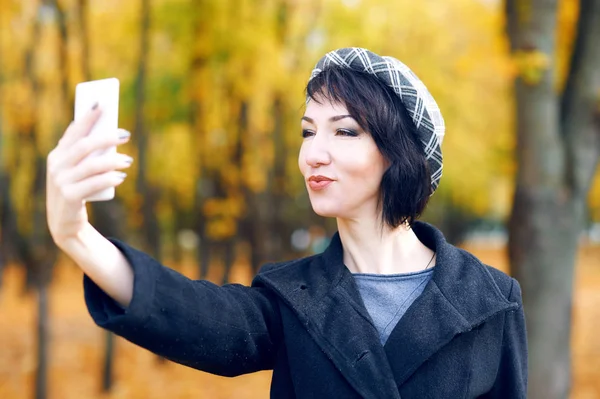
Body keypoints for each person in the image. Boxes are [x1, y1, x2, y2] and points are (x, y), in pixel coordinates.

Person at [46, 48, 527, 398]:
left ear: (398, 153)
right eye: (307, 132)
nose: (313, 153)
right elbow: (197, 317)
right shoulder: (291, 300)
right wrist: (76, 235)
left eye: (344, 131)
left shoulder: (489, 300)